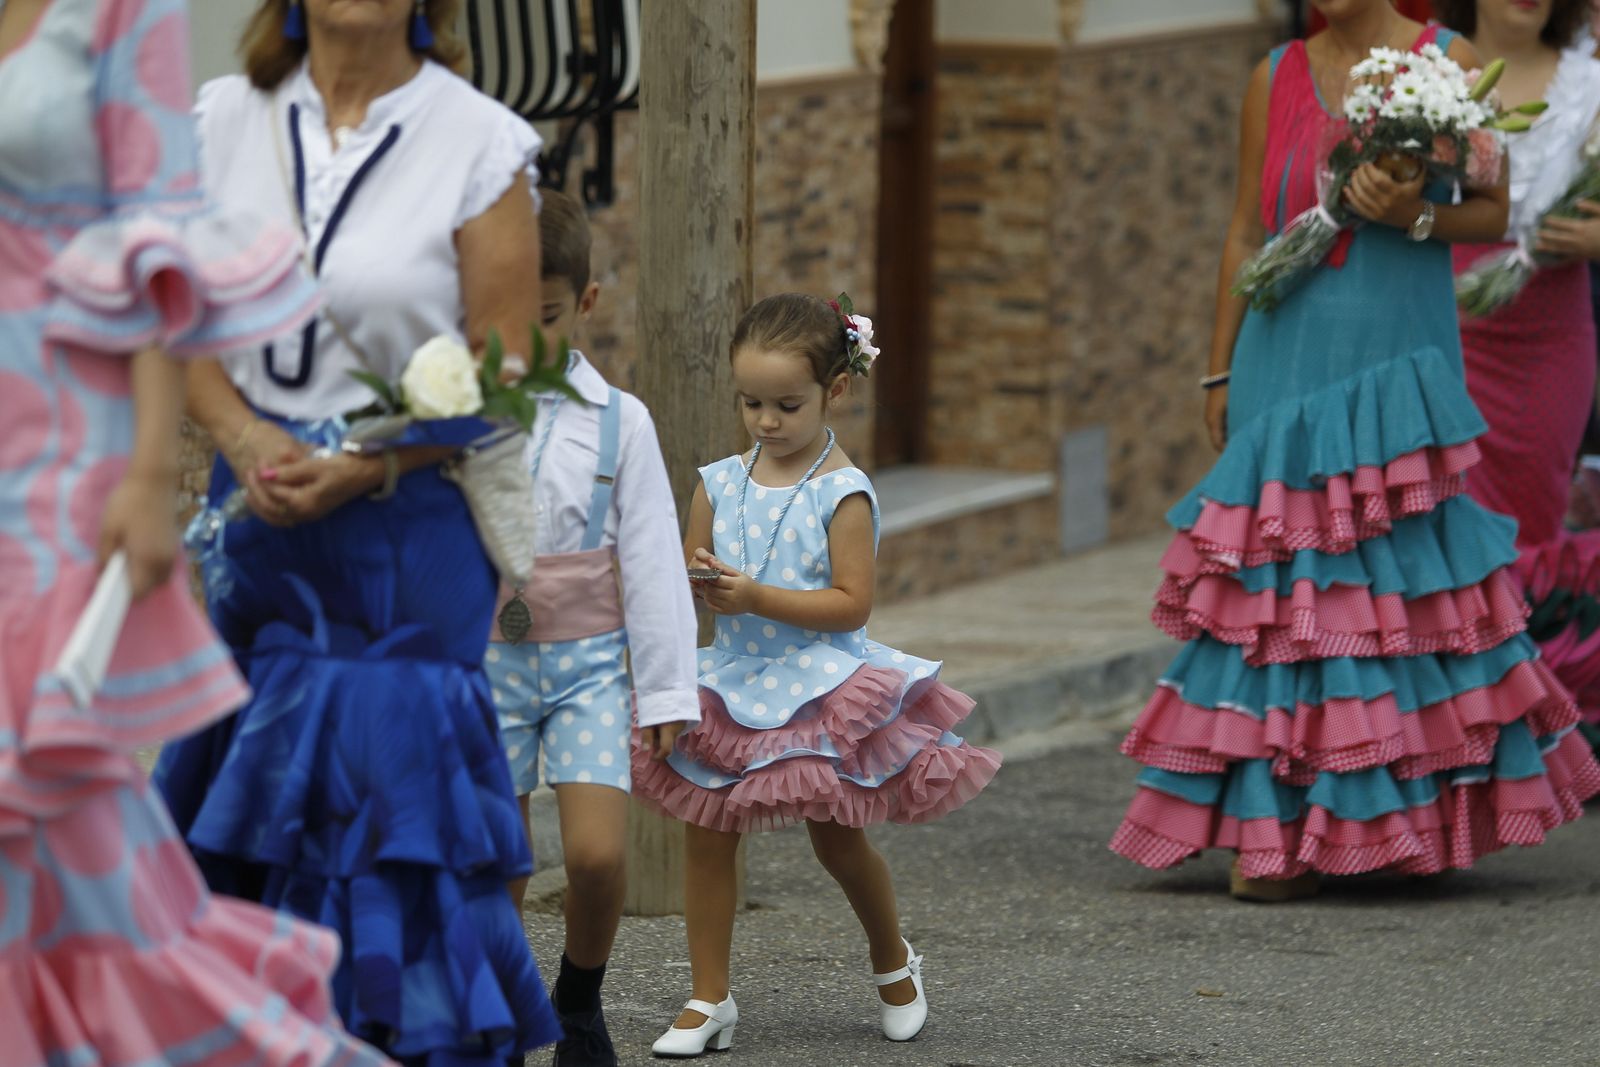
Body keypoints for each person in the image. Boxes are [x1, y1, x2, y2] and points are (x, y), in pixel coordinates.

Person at [1108, 0, 1600, 901]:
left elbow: (1492, 211)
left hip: (1392, 364)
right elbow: (1246, 231)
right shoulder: (1275, 74)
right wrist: (1218, 370)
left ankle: (1391, 826)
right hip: (1280, 362)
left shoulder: (1448, 62)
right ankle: (1273, 832)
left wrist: (1413, 210)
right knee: (1275, 597)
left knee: (1390, 594)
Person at [150, 0, 563, 1060]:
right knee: (246, 808)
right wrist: (242, 437)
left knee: (388, 822)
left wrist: (370, 461)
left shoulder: (479, 139)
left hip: (408, 533)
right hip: (262, 523)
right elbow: (175, 317)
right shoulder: (218, 119)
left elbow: (509, 365)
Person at [1, 0, 392, 1063]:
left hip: (54, 456)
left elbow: (159, 232)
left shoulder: (123, 10)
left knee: (55, 816)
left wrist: (141, 474)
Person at [632, 293, 1002, 1057]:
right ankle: (709, 996)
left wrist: (754, 594)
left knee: (838, 843)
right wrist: (695, 582)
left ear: (835, 390)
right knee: (707, 838)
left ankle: (894, 958)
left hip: (820, 689)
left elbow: (850, 603)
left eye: (787, 404)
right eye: (751, 402)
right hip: (731, 684)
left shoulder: (845, 491)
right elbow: (689, 577)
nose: (766, 420)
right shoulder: (716, 481)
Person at [481, 189, 700, 1067]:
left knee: (599, 855)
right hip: (483, 660)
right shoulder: (456, 414)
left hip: (587, 671)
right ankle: (500, 1012)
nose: (520, 339)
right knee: (499, 859)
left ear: (586, 303)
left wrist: (669, 686)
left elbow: (650, 562)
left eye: (543, 316)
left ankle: (578, 996)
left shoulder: (623, 421)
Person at [1439, 0, 1600, 736]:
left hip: (1550, 335)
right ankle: (1442, 726)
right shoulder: (1427, 72)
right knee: (1445, 526)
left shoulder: (1591, 81)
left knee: (1529, 526)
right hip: (1444, 325)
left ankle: (1512, 730)